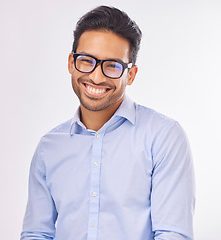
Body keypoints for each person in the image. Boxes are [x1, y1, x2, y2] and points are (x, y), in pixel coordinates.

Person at [21, 5, 195, 240]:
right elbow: (37, 233)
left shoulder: (163, 137)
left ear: (130, 75)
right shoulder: (48, 147)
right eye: (86, 60)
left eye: (112, 66)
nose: (96, 76)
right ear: (71, 63)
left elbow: (173, 235)